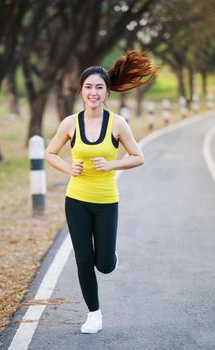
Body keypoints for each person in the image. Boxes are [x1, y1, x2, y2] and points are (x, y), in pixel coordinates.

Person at [45, 50, 157, 334]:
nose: (93, 92)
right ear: (81, 91)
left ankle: (110, 258)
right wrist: (67, 169)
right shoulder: (70, 123)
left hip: (106, 202)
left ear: (106, 91)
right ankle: (94, 314)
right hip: (77, 201)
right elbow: (50, 153)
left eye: (99, 87)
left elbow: (138, 156)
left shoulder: (117, 123)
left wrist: (111, 164)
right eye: (88, 87)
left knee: (104, 265)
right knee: (83, 259)